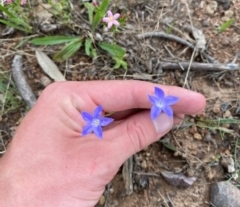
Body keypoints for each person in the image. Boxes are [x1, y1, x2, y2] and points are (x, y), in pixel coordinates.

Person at [0, 80, 206, 207]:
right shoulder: (94, 123)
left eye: (161, 103)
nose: (160, 104)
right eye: (158, 102)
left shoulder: (163, 105)